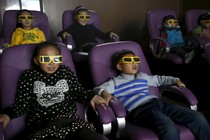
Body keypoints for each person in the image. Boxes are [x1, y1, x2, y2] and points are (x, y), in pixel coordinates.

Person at [0, 41, 109, 140]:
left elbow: (77, 92)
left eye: (56, 59)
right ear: (36, 60)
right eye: (46, 59)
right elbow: (22, 103)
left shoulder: (65, 72)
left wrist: (92, 96)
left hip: (71, 122)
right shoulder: (29, 76)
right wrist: (8, 114)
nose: (52, 63)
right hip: (43, 125)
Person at [93, 49, 210, 140]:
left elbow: (159, 79)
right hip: (140, 110)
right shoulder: (114, 81)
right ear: (119, 66)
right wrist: (105, 93)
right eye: (128, 61)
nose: (134, 63)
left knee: (198, 117)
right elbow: (98, 88)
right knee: (168, 126)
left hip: (159, 104)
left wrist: (175, 80)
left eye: (136, 60)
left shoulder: (142, 76)